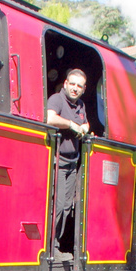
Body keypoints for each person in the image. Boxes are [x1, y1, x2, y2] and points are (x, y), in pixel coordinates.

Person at [46, 68, 90, 258]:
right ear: (65, 83)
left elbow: (86, 123)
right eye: (72, 84)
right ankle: (49, 247)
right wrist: (71, 125)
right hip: (58, 161)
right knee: (57, 204)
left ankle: (56, 245)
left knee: (66, 207)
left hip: (72, 163)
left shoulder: (80, 106)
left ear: (84, 89)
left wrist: (85, 127)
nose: (75, 88)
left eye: (79, 86)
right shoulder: (57, 99)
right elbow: (49, 118)